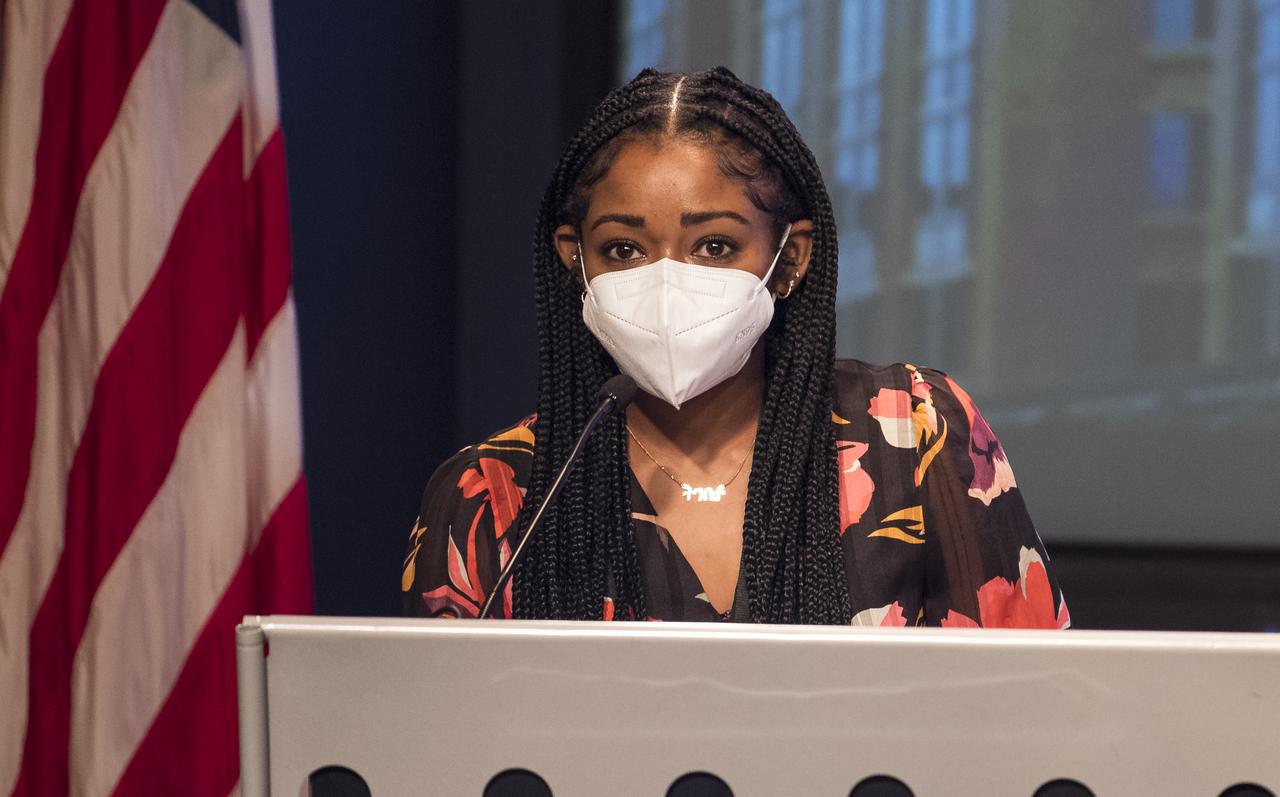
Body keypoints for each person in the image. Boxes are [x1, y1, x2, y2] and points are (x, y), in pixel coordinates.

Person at [401, 67, 1069, 628]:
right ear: (575, 260)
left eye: (714, 245)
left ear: (789, 260)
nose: (666, 280)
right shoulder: (493, 494)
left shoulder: (914, 432)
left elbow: (1038, 706)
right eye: (623, 249)